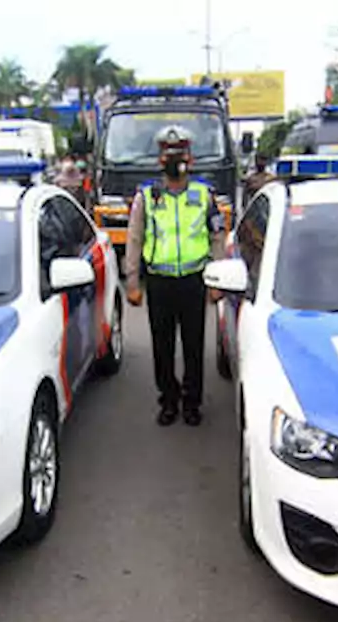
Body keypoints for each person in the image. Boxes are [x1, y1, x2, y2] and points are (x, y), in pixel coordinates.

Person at [124, 125, 227, 426]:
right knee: (163, 345)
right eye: (168, 154)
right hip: (159, 282)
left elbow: (217, 236)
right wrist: (132, 281)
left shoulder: (204, 195)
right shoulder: (146, 197)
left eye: (180, 153)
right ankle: (168, 401)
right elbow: (134, 239)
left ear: (190, 159)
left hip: (194, 281)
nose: (174, 159)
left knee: (194, 346)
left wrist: (217, 278)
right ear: (160, 160)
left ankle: (192, 403)